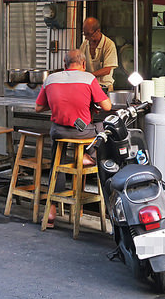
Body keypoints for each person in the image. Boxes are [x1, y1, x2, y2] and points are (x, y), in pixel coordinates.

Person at [35, 49, 112, 227]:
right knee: (103, 128)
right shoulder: (88, 78)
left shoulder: (51, 79)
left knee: (58, 163)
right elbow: (107, 106)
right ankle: (90, 156)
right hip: (81, 130)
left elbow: (38, 108)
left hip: (59, 131)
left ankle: (51, 212)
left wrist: (59, 105)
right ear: (83, 64)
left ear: (64, 64)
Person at [79, 17, 118, 91]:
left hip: (104, 86)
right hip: (89, 85)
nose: (86, 37)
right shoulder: (84, 44)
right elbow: (79, 63)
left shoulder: (109, 44)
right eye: (85, 34)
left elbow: (107, 70)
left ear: (98, 31)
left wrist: (89, 75)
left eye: (88, 34)